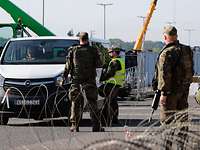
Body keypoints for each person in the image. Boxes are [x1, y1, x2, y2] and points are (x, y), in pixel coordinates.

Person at [153, 25, 194, 150]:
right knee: (182, 123)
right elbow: (190, 71)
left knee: (167, 123)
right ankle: (182, 147)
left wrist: (164, 94)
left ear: (165, 37)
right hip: (183, 92)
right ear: (176, 36)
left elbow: (164, 76)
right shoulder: (187, 50)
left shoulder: (166, 53)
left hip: (170, 94)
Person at [63, 32, 104, 132]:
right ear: (87, 39)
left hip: (76, 80)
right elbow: (99, 64)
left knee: (75, 102)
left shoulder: (73, 50)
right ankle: (96, 126)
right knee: (92, 102)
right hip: (90, 79)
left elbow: (68, 66)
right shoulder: (93, 50)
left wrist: (64, 77)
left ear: (79, 39)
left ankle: (74, 125)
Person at [99, 47, 125, 126]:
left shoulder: (115, 61)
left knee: (107, 102)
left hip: (112, 84)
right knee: (113, 102)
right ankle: (114, 119)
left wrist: (101, 78)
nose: (109, 53)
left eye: (110, 52)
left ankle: (105, 121)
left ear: (114, 52)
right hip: (117, 84)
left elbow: (110, 73)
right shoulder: (121, 60)